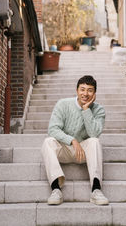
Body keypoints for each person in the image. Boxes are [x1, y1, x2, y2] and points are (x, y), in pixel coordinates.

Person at [41, 75, 109, 206]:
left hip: (83, 153)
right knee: (48, 142)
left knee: (94, 141)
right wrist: (72, 140)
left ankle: (96, 190)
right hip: (65, 149)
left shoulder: (99, 110)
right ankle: (56, 189)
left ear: (94, 93)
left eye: (90, 90)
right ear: (77, 90)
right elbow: (53, 129)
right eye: (82, 89)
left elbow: (94, 133)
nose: (85, 93)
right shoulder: (63, 104)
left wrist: (86, 109)